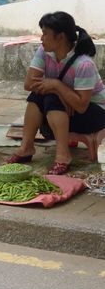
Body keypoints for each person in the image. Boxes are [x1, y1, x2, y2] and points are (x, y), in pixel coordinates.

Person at [8, 11, 105, 174]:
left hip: (94, 114)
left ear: (60, 37)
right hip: (65, 110)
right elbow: (29, 84)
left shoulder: (84, 64)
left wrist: (56, 85)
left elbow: (81, 106)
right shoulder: (44, 51)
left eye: (45, 34)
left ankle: (63, 156)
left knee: (51, 96)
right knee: (38, 95)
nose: (41, 38)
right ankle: (26, 148)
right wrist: (59, 91)